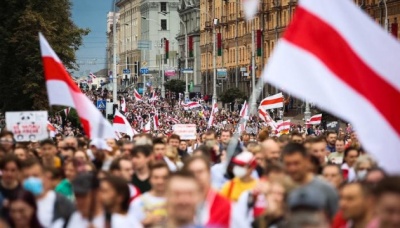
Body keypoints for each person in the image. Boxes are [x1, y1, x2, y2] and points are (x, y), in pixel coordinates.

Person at [282, 143, 338, 219]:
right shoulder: (282, 189)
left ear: (307, 160)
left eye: (296, 163)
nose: (292, 169)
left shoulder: (326, 189)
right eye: (288, 164)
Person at [183, 156, 240, 227]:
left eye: (200, 172)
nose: (196, 176)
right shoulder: (179, 206)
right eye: (191, 173)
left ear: (209, 173)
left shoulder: (228, 207)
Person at [21, 158, 75, 227]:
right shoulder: (15, 203)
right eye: (26, 177)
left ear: (44, 177)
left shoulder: (61, 202)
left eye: (35, 176)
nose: (31, 180)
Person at [130, 162, 169, 227]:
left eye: (164, 177)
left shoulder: (178, 202)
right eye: (156, 177)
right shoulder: (138, 203)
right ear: (150, 179)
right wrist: (143, 223)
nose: (160, 181)